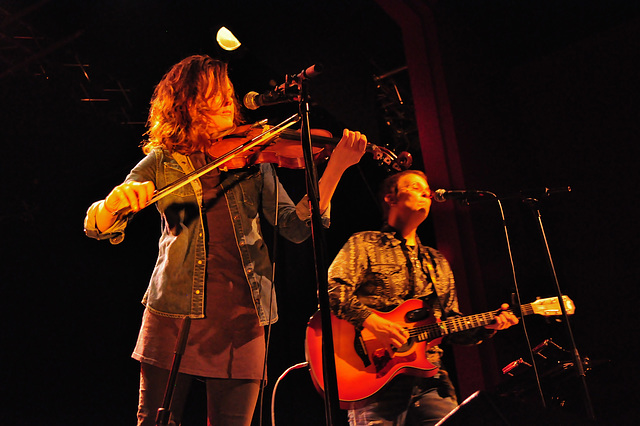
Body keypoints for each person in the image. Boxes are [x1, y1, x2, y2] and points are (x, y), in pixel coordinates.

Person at [83, 54, 367, 426]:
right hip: (173, 311)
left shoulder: (253, 155)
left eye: (227, 94)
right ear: (185, 102)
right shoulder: (163, 159)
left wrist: (332, 173)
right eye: (214, 94)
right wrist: (112, 206)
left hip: (243, 318)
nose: (226, 102)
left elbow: (295, 228)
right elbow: (97, 224)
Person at [327, 169, 519, 426]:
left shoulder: (436, 261)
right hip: (374, 381)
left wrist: (486, 327)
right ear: (391, 199)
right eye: (415, 187)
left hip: (431, 380)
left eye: (427, 190)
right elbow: (332, 290)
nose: (426, 193)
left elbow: (449, 324)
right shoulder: (364, 243)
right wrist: (373, 322)